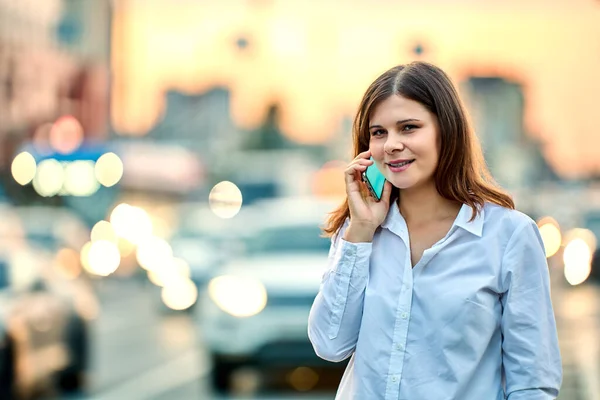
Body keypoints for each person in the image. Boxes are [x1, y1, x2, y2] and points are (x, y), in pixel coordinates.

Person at [307, 62, 562, 399]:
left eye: (409, 128)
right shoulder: (359, 233)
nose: (392, 145)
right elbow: (329, 344)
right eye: (379, 132)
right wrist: (362, 231)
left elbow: (532, 383)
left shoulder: (509, 235)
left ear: (447, 131)